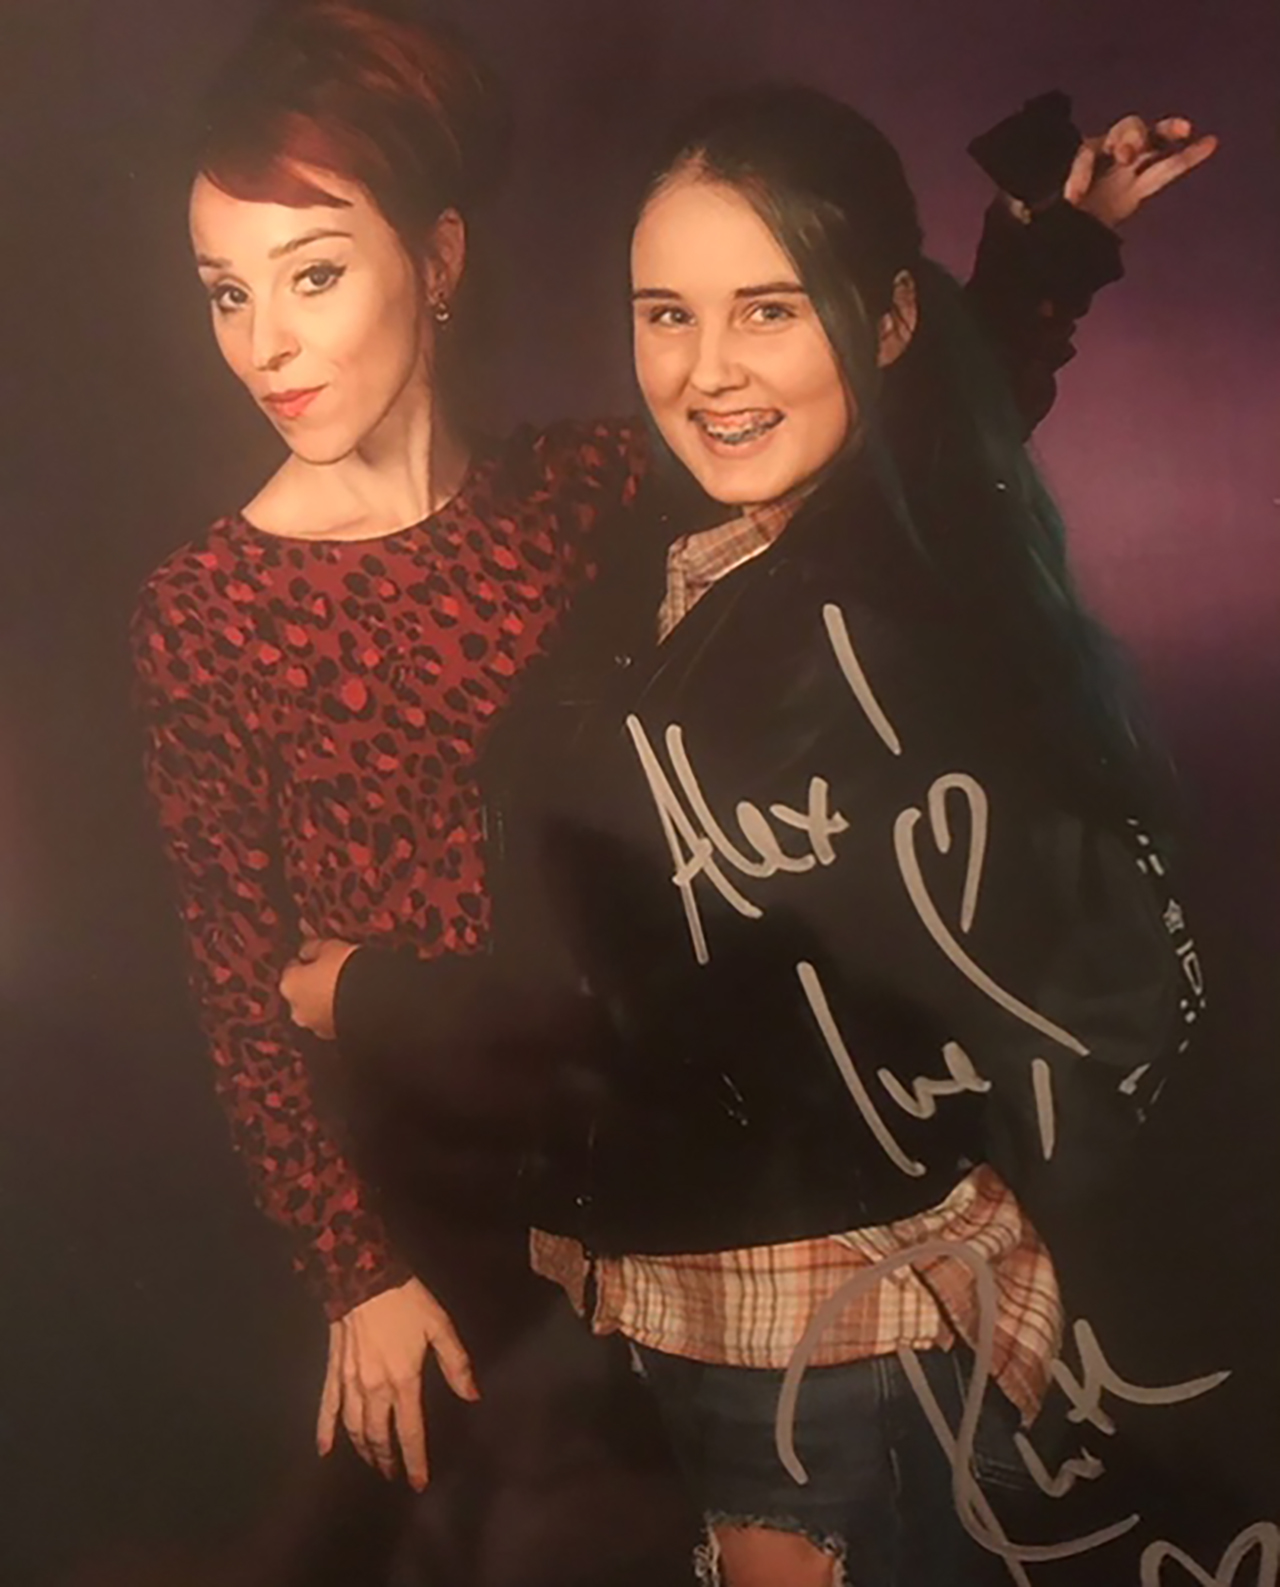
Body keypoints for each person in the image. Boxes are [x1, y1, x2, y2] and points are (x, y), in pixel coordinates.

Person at [286, 82, 1216, 1587]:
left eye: (768, 312)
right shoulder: (753, 520)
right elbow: (951, 404)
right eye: (667, 313)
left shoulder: (844, 639)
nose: (706, 372)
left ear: (880, 323)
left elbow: (644, 1025)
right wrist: (1052, 252)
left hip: (809, 1343)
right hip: (734, 1296)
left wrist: (357, 995)